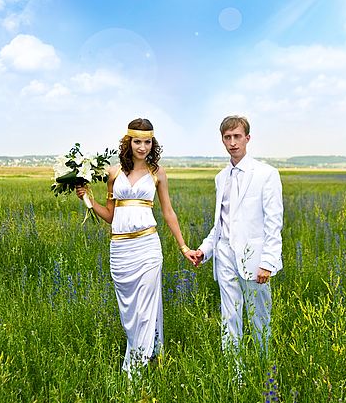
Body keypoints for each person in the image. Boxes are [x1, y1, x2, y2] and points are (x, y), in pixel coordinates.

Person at [76, 118, 196, 375]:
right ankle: (145, 352)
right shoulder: (113, 173)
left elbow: (169, 213)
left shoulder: (157, 173)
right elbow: (110, 215)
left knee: (146, 307)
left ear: (153, 143)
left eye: (148, 141)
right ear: (128, 142)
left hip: (148, 247)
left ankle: (135, 368)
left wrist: (183, 246)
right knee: (129, 310)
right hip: (120, 250)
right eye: (138, 141)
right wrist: (87, 199)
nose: (143, 147)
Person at [188, 115, 283, 355]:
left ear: (247, 138)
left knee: (260, 317)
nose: (233, 142)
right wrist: (205, 250)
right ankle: (234, 376)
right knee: (229, 316)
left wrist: (268, 262)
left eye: (237, 136)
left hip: (255, 258)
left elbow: (274, 223)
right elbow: (220, 224)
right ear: (222, 140)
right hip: (224, 255)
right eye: (227, 137)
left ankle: (263, 368)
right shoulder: (221, 178)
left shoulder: (266, 174)